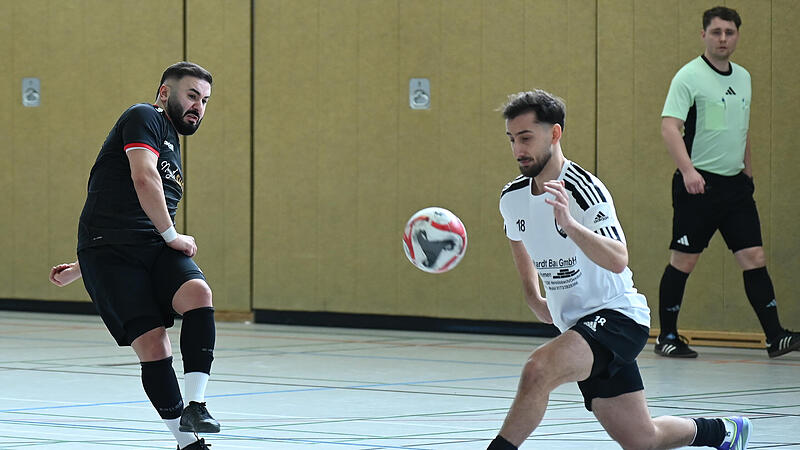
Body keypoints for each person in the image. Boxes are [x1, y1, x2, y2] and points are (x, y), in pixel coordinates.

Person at [489, 89, 750, 450]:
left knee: (538, 370)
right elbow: (517, 237)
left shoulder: (584, 190)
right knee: (642, 440)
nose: (518, 149)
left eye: (526, 138)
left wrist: (570, 224)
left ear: (555, 134)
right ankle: (722, 431)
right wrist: (533, 295)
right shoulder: (512, 197)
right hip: (578, 325)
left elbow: (618, 258)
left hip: (617, 317)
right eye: (512, 139)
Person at [49, 62, 219, 450]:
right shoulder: (144, 116)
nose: (198, 106)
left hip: (147, 246)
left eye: (205, 101)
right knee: (155, 346)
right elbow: (144, 178)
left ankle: (196, 405)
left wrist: (79, 268)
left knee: (198, 294)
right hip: (113, 251)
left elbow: (129, 201)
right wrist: (172, 235)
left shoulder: (171, 142)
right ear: (164, 93)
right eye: (191, 95)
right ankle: (188, 443)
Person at [655, 6, 800, 359]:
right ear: (704, 35)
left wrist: (748, 170)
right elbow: (669, 127)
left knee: (754, 256)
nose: (723, 38)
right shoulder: (688, 77)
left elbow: (740, 128)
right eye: (716, 32)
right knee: (684, 260)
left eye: (729, 33)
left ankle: (775, 337)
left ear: (737, 36)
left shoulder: (744, 77)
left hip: (735, 187)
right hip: (697, 186)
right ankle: (667, 337)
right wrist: (689, 171)